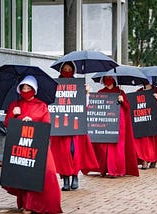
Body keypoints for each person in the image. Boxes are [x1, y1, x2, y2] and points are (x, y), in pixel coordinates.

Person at [4, 75, 62, 214]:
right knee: (23, 174)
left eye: (28, 88)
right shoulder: (14, 105)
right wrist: (14, 115)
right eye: (23, 87)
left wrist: (33, 123)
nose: (25, 90)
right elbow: (7, 123)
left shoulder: (42, 106)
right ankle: (26, 204)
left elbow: (46, 124)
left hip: (38, 146)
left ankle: (36, 204)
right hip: (20, 147)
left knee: (45, 173)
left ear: (34, 90)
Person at [50, 61, 99, 191]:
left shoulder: (78, 85)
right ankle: (65, 179)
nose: (67, 71)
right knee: (63, 154)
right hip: (60, 127)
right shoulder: (54, 85)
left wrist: (86, 93)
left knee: (74, 152)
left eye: (69, 69)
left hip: (76, 127)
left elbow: (85, 106)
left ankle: (75, 175)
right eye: (64, 69)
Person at [92, 75, 139, 177]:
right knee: (103, 147)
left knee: (117, 147)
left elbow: (127, 107)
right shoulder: (100, 92)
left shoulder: (120, 92)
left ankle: (116, 170)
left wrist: (122, 101)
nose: (108, 79)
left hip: (118, 123)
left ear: (114, 79)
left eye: (110, 77)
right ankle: (104, 168)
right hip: (104, 124)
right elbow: (95, 107)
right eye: (106, 77)